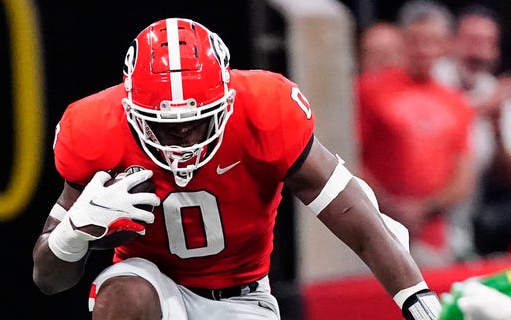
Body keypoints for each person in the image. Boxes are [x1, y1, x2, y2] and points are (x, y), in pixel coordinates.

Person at [32, 18, 441, 320]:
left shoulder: (265, 110)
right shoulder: (94, 129)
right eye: (165, 126)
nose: (184, 139)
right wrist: (72, 234)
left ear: (226, 103)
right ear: (130, 108)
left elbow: (358, 218)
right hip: (155, 287)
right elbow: (48, 279)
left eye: (197, 122)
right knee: (125, 295)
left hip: (244, 296)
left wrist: (417, 300)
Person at [355, 0, 476, 267]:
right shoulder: (369, 90)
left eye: (433, 41)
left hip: (432, 235)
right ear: (402, 41)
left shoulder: (457, 103)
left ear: (446, 45)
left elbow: (464, 174)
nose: (424, 50)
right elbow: (349, 156)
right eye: (416, 40)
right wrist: (388, 204)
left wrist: (426, 209)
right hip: (375, 226)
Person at [432, 4, 511, 258]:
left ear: (496, 52)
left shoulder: (495, 94)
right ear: (452, 43)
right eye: (471, 41)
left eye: (486, 43)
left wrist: (497, 126)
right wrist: (478, 111)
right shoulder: (432, 77)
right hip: (419, 218)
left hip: (465, 226)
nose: (477, 52)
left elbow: (504, 175)